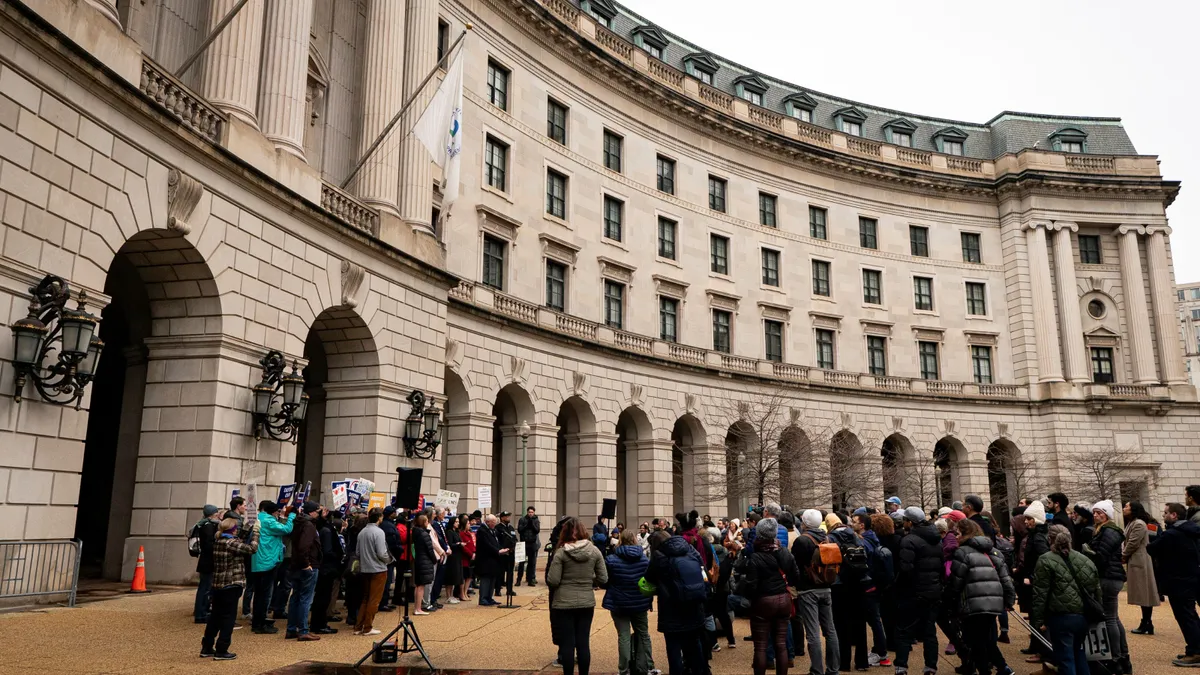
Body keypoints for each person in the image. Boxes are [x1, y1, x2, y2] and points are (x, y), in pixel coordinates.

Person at [735, 518, 803, 675]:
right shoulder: (784, 552)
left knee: (760, 645)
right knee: (781, 643)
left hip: (763, 601)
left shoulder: (756, 557)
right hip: (783, 599)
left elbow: (751, 586)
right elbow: (795, 577)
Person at [1031, 524, 1101, 675]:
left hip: (1060, 615)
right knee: (1079, 653)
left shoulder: (1045, 560)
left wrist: (1038, 620)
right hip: (1083, 615)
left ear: (1050, 539)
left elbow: (1040, 594)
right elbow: (1096, 589)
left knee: (1065, 659)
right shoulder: (1085, 560)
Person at [949, 518, 1016, 675]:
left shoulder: (962, 552)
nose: (955, 537)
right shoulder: (994, 551)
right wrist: (1009, 600)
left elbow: (956, 581)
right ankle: (1002, 667)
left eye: (957, 533)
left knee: (976, 641)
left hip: (973, 603)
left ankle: (989, 670)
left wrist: (951, 600)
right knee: (985, 639)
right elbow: (1006, 579)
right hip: (993, 603)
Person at [646, 526, 710, 675]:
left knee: (673, 648)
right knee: (695, 645)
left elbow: (649, 579)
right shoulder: (690, 550)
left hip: (671, 609)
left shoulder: (659, 556)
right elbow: (704, 572)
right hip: (694, 605)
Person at [548, 516, 608, 675]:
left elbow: (553, 581)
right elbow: (604, 579)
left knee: (567, 644)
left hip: (563, 602)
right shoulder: (594, 551)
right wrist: (588, 579)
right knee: (583, 643)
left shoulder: (561, 553)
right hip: (586, 601)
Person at [200, 516, 259, 660]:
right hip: (232, 583)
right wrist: (256, 534)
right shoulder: (230, 543)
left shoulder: (219, 541)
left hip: (218, 584)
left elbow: (238, 539)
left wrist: (247, 526)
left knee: (215, 616)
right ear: (233, 530)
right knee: (228, 618)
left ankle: (207, 646)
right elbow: (252, 549)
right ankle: (222, 649)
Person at [1149, 503, 1200, 666]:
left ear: (1174, 516)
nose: (1163, 516)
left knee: (1186, 617)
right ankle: (1193, 649)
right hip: (1190, 578)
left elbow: (1151, 549)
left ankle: (1195, 652)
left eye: (1165, 513)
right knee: (1191, 616)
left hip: (1177, 581)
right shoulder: (1191, 530)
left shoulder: (1171, 534)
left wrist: (1153, 535)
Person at [894, 506, 943, 675]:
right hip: (933, 590)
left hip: (913, 592)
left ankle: (901, 666)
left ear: (910, 522)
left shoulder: (909, 540)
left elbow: (905, 568)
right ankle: (931, 667)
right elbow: (941, 567)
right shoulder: (937, 539)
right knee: (930, 631)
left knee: (905, 631)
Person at [791, 509, 840, 675]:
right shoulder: (827, 538)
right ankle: (833, 669)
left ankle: (817, 670)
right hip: (826, 586)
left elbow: (795, 566)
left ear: (804, 522)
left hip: (808, 589)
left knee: (813, 633)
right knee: (830, 630)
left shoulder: (802, 541)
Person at [1082, 500, 1129, 672]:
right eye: (1094, 512)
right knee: (1114, 618)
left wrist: (1088, 552)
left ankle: (1115, 659)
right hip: (1112, 577)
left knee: (1110, 618)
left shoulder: (1109, 531)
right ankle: (1123, 657)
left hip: (1109, 577)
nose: (1095, 515)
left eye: (1099, 512)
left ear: (1107, 514)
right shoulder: (1104, 530)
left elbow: (1102, 556)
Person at [605, 528, 654, 675]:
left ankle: (624, 669)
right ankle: (649, 666)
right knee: (644, 634)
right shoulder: (644, 560)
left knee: (624, 636)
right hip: (639, 602)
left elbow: (605, 581)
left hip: (619, 603)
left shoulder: (611, 560)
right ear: (634, 540)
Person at [249, 501, 295, 634]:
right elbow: (287, 529)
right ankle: (259, 623)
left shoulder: (261, 518)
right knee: (264, 595)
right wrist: (291, 516)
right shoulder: (268, 521)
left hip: (261, 561)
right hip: (267, 561)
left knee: (259, 594)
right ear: (273, 511)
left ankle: (258, 621)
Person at [1122, 501, 1160, 636]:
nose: (1124, 508)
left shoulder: (1138, 524)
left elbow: (1133, 542)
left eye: (1126, 506)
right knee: (1143, 593)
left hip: (1140, 561)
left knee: (1145, 592)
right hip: (1136, 560)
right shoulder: (1133, 523)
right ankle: (1146, 622)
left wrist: (1123, 555)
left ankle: (1147, 622)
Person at [285, 501, 322, 641]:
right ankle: (303, 630)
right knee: (305, 599)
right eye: (317, 512)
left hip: (296, 564)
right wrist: (307, 564)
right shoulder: (308, 525)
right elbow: (303, 547)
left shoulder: (299, 523)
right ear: (312, 512)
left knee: (296, 597)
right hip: (307, 565)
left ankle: (291, 628)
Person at [354, 507, 392, 636]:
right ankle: (368, 627)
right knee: (374, 599)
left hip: (365, 568)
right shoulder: (379, 532)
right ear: (380, 518)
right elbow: (382, 552)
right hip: (378, 569)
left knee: (365, 598)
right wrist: (388, 560)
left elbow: (358, 552)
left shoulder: (362, 532)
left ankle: (359, 626)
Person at [311, 510, 342, 635]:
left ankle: (319, 623)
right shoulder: (327, 531)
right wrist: (338, 555)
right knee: (323, 597)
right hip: (327, 568)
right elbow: (328, 551)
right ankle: (319, 624)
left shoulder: (322, 528)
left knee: (321, 597)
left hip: (323, 567)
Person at [192, 504, 221, 624]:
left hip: (205, 560)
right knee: (205, 588)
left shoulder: (203, 524)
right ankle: (201, 614)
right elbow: (209, 544)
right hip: (208, 561)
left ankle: (201, 612)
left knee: (204, 587)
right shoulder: (208, 526)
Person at [475, 514, 506, 606]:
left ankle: (489, 597)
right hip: (485, 559)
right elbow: (487, 544)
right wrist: (498, 551)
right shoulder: (482, 530)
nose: (494, 524)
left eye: (495, 523)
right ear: (487, 522)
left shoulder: (493, 530)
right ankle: (483, 598)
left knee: (492, 579)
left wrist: (501, 549)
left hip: (493, 559)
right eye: (493, 522)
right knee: (486, 579)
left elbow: (495, 542)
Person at [411, 513, 437, 615]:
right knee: (421, 586)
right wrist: (434, 560)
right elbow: (429, 549)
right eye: (426, 521)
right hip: (424, 560)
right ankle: (418, 608)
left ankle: (417, 607)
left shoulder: (417, 532)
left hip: (419, 559)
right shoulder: (424, 534)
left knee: (418, 585)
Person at [518, 506, 542, 586]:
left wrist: (532, 524)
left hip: (532, 544)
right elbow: (519, 530)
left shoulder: (536, 520)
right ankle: (519, 579)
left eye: (532, 512)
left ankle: (531, 580)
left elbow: (537, 530)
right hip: (524, 543)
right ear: (527, 512)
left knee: (532, 563)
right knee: (521, 563)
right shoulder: (522, 519)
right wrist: (526, 525)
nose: (530, 514)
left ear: (534, 512)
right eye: (529, 512)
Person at [445, 514, 466, 603]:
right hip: (452, 556)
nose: (458, 523)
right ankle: (448, 596)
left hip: (458, 555)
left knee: (456, 576)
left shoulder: (456, 532)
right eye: (456, 522)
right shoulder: (449, 532)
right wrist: (458, 544)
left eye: (458, 522)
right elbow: (450, 544)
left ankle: (452, 595)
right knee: (451, 576)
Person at [498, 511, 518, 597]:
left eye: (509, 516)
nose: (508, 518)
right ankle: (497, 589)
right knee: (500, 572)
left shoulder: (511, 528)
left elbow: (514, 538)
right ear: (502, 518)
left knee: (510, 572)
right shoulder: (498, 528)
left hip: (510, 552)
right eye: (506, 516)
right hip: (502, 553)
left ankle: (509, 590)